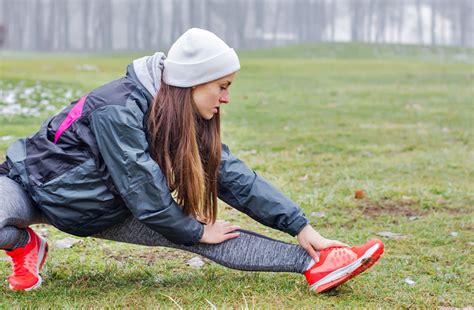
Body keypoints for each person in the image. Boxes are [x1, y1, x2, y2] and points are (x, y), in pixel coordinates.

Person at [0, 28, 384, 293]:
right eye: (222, 86)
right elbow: (142, 187)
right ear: (193, 82)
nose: (226, 98)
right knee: (193, 229)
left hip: (104, 210)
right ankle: (24, 245)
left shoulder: (184, 118)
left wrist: (300, 226)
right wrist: (193, 228)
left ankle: (318, 263)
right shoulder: (116, 107)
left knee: (205, 235)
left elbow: (233, 178)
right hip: (29, 186)